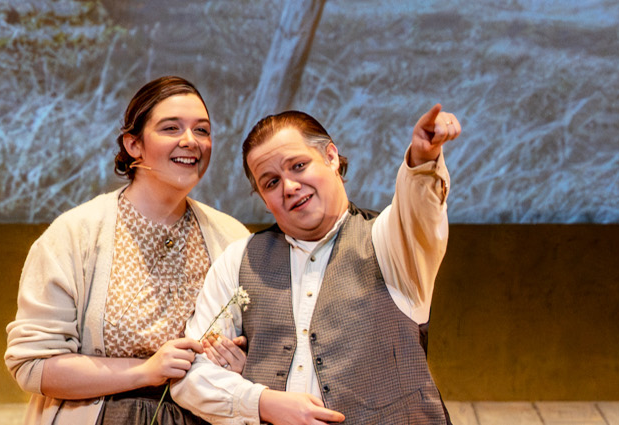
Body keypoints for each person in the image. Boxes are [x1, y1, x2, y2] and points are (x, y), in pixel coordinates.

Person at [172, 105, 462, 424]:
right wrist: (261, 402)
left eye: (298, 166)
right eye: (271, 182)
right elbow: (192, 375)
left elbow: (419, 212)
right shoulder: (240, 260)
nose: (289, 187)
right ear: (264, 200)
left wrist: (422, 161)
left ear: (331, 157)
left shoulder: (389, 243)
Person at [4, 76, 251, 424]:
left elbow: (263, 353)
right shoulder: (75, 234)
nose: (190, 141)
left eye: (202, 130)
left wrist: (242, 364)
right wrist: (146, 371)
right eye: (171, 128)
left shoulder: (231, 237)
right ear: (134, 144)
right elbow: (32, 365)